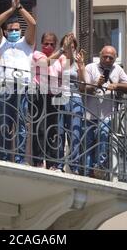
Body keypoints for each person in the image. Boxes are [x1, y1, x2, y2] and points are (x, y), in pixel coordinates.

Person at [0, 0, 36, 164]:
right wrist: (11, 10)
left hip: (22, 85)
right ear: (5, 31)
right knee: (4, 122)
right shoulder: (1, 42)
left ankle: (18, 159)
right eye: (11, 29)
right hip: (4, 85)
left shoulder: (26, 42)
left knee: (20, 123)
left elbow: (32, 24)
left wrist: (20, 8)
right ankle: (3, 157)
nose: (14, 32)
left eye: (17, 29)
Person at [77, 45, 127, 179]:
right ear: (100, 55)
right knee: (88, 142)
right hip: (90, 113)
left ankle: (99, 168)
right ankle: (87, 171)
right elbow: (83, 89)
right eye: (105, 56)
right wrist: (98, 84)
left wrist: (116, 85)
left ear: (115, 59)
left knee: (103, 135)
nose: (107, 60)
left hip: (107, 115)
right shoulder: (90, 67)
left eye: (111, 58)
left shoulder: (117, 70)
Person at [51, 33, 85, 174]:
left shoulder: (78, 62)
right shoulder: (60, 59)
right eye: (67, 45)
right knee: (59, 131)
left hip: (76, 97)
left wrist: (82, 67)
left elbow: (83, 86)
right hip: (61, 96)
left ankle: (74, 166)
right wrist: (64, 50)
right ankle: (59, 165)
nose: (69, 48)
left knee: (75, 132)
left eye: (72, 46)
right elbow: (48, 64)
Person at [30, 32, 64, 168]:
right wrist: (61, 50)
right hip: (39, 92)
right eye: (46, 43)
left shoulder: (61, 58)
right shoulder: (37, 54)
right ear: (41, 44)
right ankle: (38, 160)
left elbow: (66, 71)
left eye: (52, 44)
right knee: (40, 128)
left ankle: (52, 163)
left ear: (55, 45)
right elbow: (44, 64)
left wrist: (67, 50)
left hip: (54, 94)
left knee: (53, 129)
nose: (48, 46)